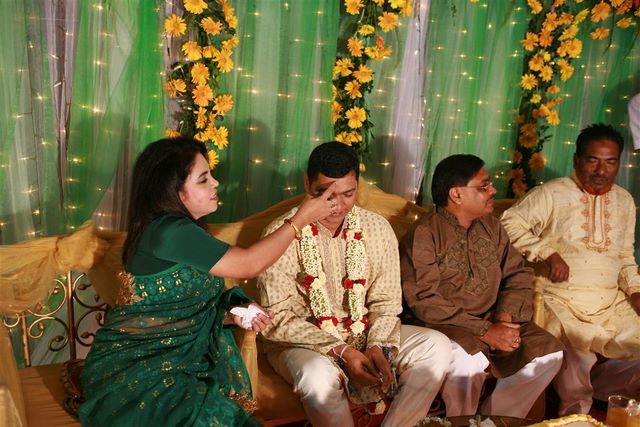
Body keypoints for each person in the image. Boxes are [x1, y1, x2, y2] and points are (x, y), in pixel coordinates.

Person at [78, 137, 335, 426]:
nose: (216, 183)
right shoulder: (169, 232)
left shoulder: (183, 230)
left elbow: (180, 310)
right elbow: (249, 264)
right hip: (140, 369)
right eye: (203, 179)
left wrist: (231, 315)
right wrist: (301, 218)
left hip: (178, 362)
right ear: (171, 191)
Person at [258, 141, 452, 427]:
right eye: (325, 194)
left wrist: (377, 347)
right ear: (307, 183)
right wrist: (342, 351)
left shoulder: (377, 228)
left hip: (365, 333)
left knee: (436, 346)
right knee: (316, 377)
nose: (337, 205)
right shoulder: (281, 233)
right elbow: (276, 319)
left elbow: (386, 303)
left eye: (348, 194)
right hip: (303, 342)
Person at [400, 154, 564, 418]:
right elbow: (424, 300)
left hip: (492, 318)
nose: (493, 191)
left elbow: (518, 273)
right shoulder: (425, 233)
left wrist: (504, 319)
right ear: (456, 194)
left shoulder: (492, 227)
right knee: (467, 361)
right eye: (484, 186)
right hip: (444, 326)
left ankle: (494, 420)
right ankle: (461, 422)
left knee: (548, 352)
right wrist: (486, 331)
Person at [501, 123, 640, 416]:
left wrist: (636, 291)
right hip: (559, 299)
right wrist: (547, 253)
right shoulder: (552, 193)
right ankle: (575, 416)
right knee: (578, 356)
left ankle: (604, 392)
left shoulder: (625, 200)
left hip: (609, 300)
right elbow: (508, 223)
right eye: (592, 160)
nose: (601, 170)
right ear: (577, 160)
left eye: (610, 162)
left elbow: (625, 255)